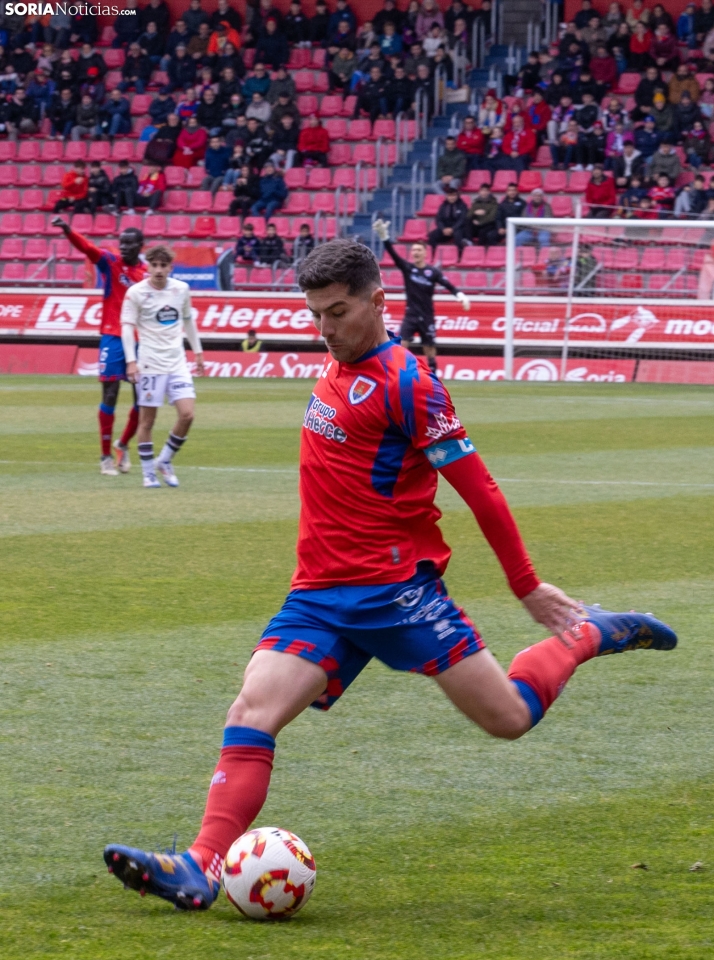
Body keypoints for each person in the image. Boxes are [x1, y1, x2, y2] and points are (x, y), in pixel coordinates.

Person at [104, 236, 677, 910]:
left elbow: (481, 489)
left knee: (510, 717)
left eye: (338, 312)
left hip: (396, 593)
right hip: (318, 592)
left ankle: (585, 635)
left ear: (379, 300)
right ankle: (199, 865)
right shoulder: (334, 361)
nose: (325, 328)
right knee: (251, 710)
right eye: (316, 313)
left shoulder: (411, 385)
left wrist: (527, 586)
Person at [52, 217, 145, 475]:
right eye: (121, 243)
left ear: (141, 245)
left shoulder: (147, 276)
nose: (123, 248)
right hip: (113, 336)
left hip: (140, 340)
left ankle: (123, 444)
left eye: (129, 244)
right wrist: (68, 230)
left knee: (142, 400)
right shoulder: (111, 262)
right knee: (110, 394)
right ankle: (105, 457)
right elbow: (87, 248)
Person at [120, 245, 204, 490]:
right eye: (154, 265)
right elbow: (126, 326)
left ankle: (164, 461)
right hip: (149, 364)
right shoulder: (135, 293)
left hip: (177, 362)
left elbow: (188, 321)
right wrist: (131, 361)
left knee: (187, 414)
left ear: (170, 267)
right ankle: (148, 473)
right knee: (147, 421)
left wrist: (197, 352)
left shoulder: (181, 290)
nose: (158, 270)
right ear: (148, 266)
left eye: (163, 265)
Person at [373, 219, 470, 373]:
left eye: (419, 250)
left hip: (427, 315)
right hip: (411, 314)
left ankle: (434, 375)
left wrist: (460, 295)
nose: (416, 253)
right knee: (401, 343)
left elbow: (447, 285)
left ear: (425, 253)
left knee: (429, 348)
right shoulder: (408, 269)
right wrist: (385, 238)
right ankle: (397, 373)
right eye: (414, 250)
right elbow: (393, 255)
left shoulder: (432, 272)